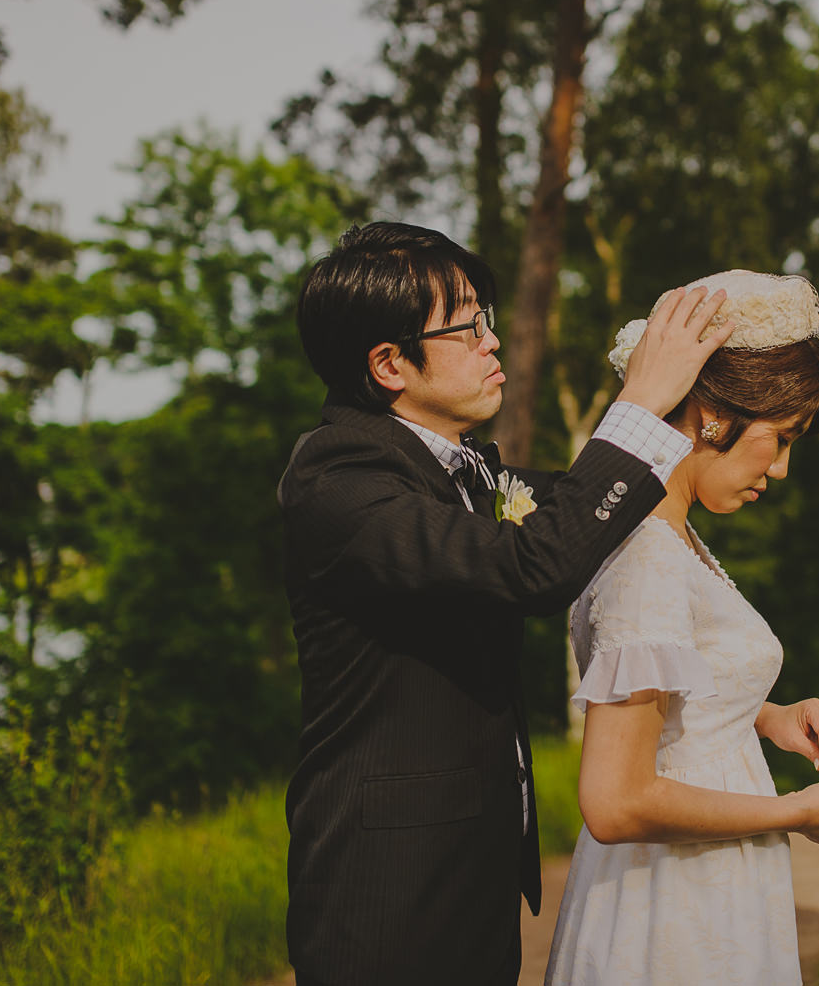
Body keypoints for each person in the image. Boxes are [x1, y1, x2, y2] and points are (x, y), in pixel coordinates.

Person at [276, 221, 733, 986]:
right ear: (389, 364)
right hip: (386, 891)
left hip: (476, 874)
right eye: (467, 325)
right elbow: (535, 567)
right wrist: (641, 400)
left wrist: (710, 422)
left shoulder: (470, 472)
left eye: (488, 318)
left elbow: (589, 514)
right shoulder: (338, 480)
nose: (493, 342)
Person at [543, 269, 819, 986]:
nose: (781, 470)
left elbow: (669, 710)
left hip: (703, 887)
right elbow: (617, 799)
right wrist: (796, 811)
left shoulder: (674, 539)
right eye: (780, 439)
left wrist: (765, 714)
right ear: (712, 413)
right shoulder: (649, 555)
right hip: (671, 912)